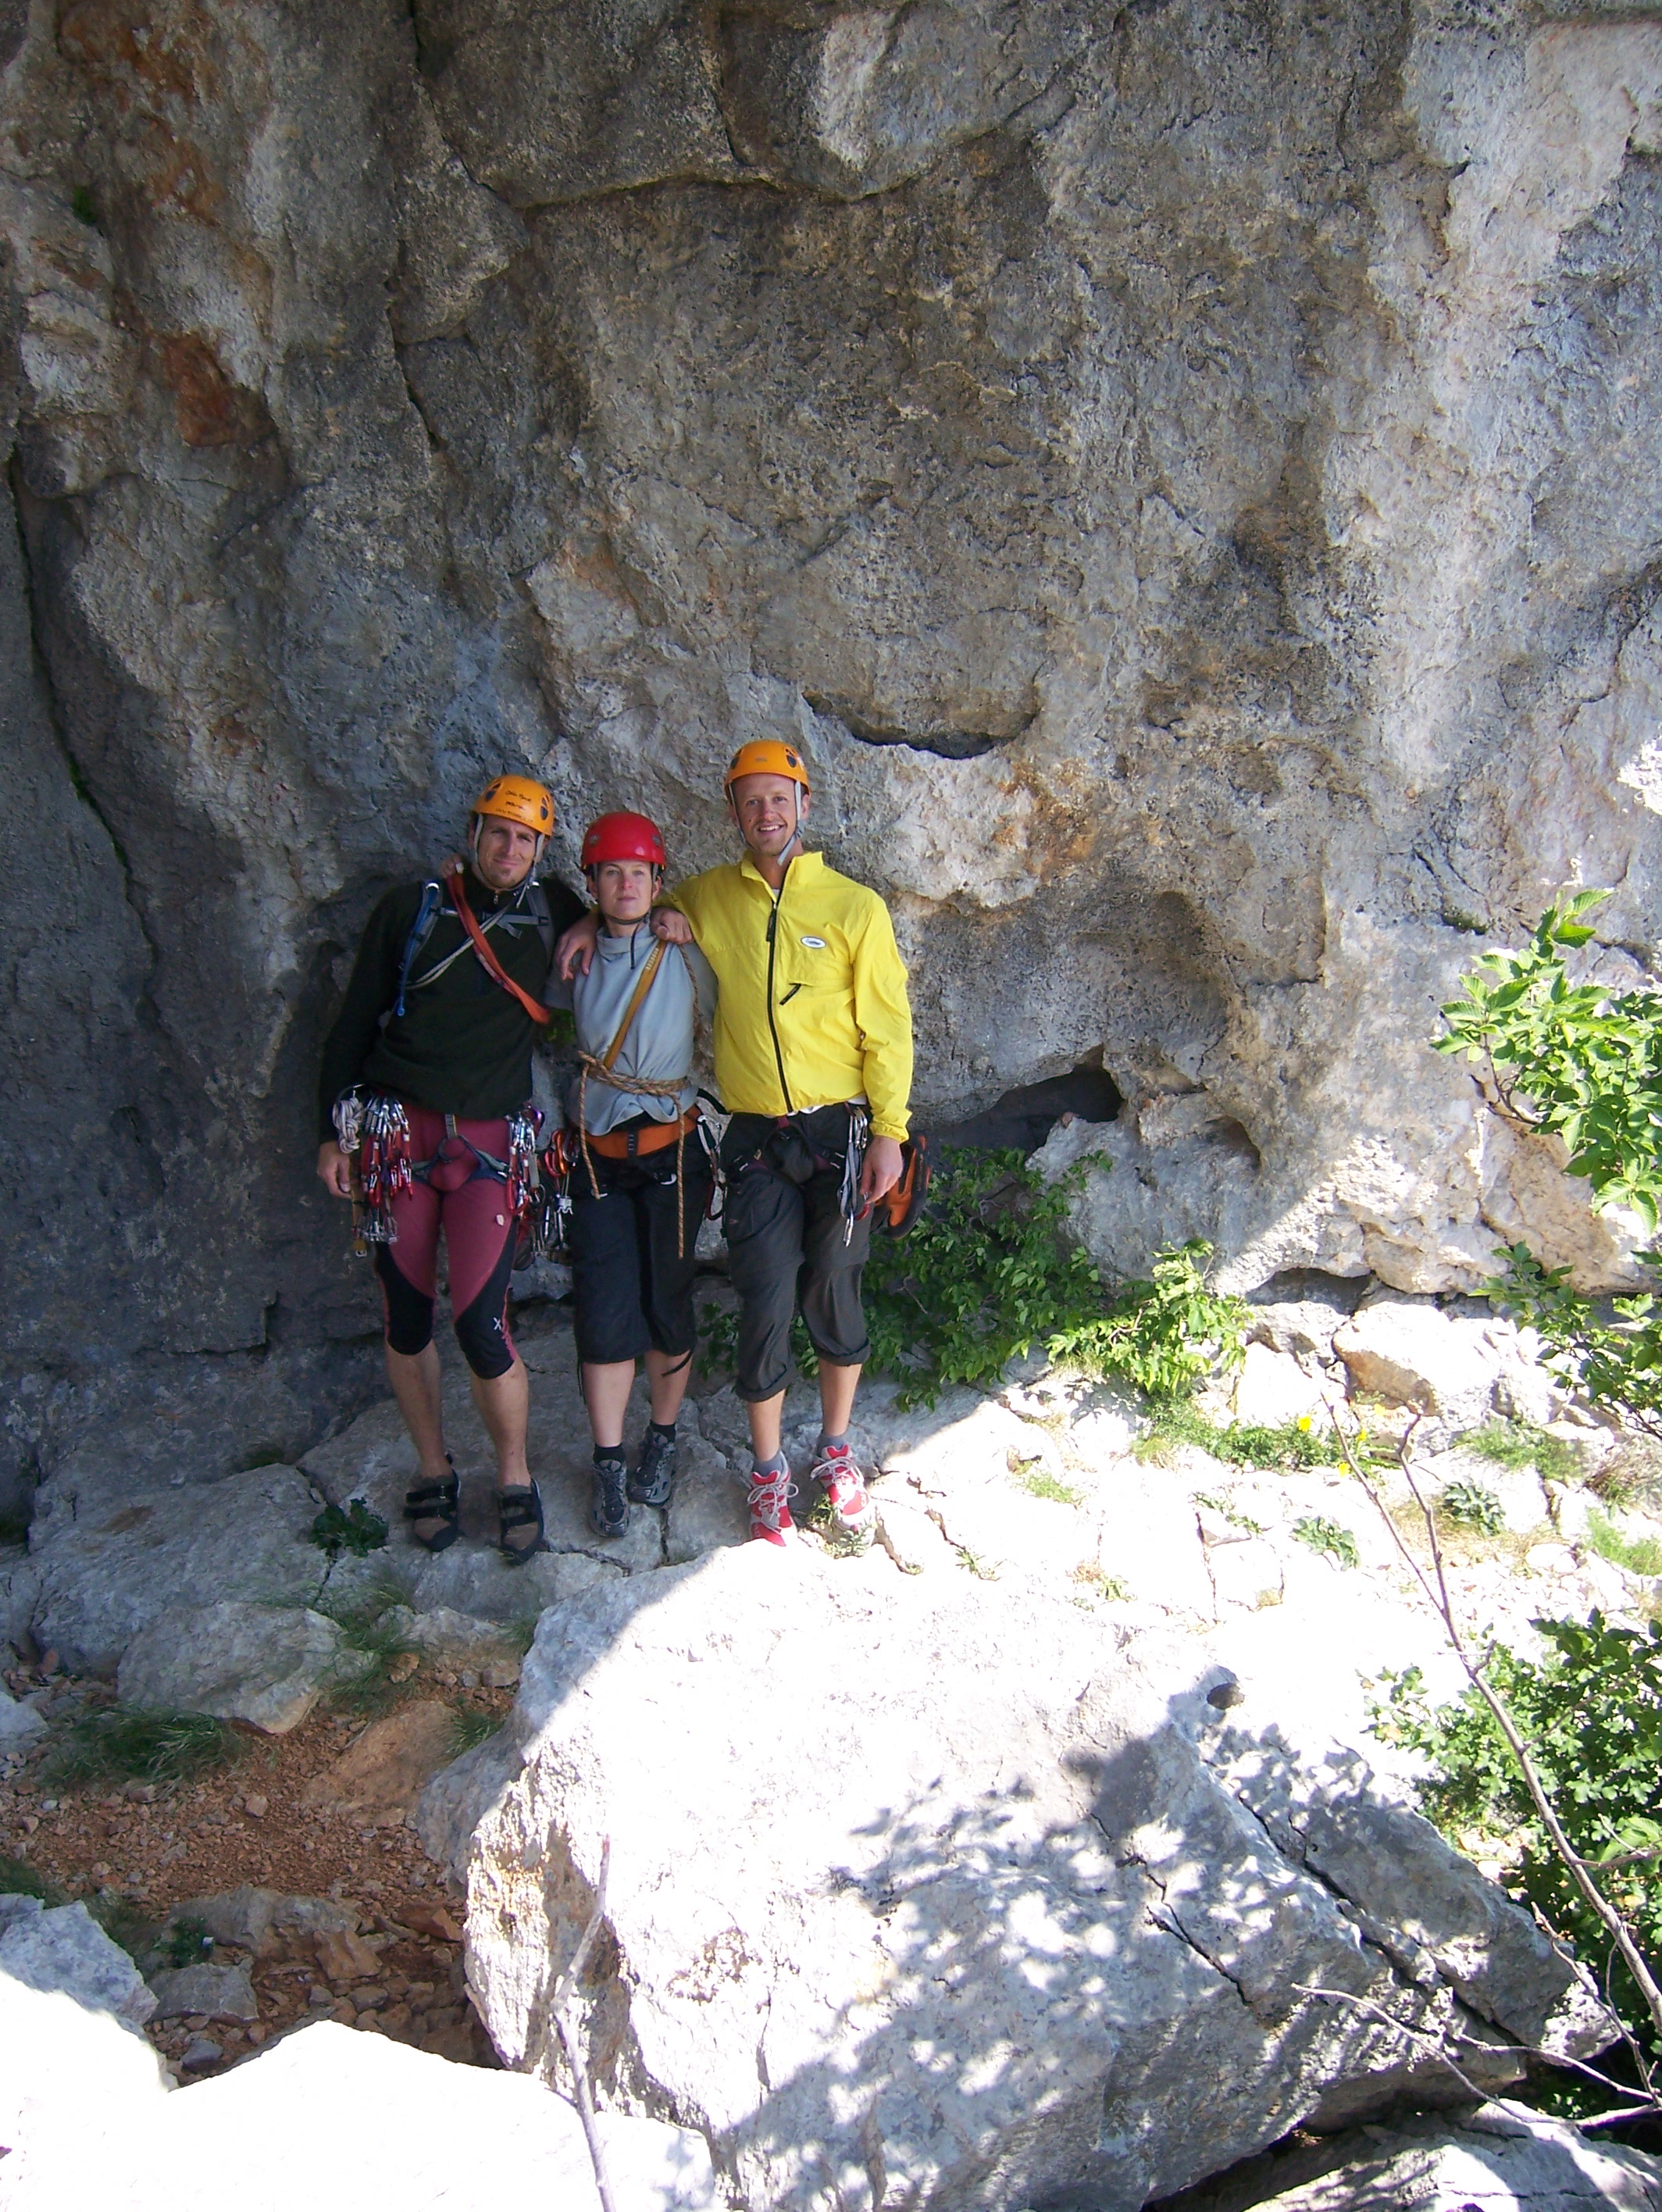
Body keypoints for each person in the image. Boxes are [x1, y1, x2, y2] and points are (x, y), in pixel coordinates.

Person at [558, 740, 913, 1550]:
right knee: (764, 1296)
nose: (766, 813)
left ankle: (834, 1450)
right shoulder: (709, 896)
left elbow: (888, 1027)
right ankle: (766, 1469)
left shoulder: (854, 907)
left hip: (841, 1128)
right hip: (756, 1134)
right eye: (751, 801)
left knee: (836, 1288)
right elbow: (629, 903)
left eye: (779, 798)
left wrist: (891, 1132)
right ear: (733, 813)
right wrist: (584, 919)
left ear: (804, 804)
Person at [316, 776, 583, 1563]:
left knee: (481, 1323)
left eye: (525, 839)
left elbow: (621, 908)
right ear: (472, 834)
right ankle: (434, 1467)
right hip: (398, 1132)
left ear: (540, 852)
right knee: (405, 1314)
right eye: (498, 832)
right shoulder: (411, 909)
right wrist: (330, 1134)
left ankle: (514, 1474)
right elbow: (354, 1022)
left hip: (489, 1143)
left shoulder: (553, 910)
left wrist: (661, 919)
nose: (509, 848)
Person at [551, 811, 716, 1539]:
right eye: (611, 873)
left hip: (671, 1147)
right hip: (596, 1153)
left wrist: (684, 924)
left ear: (658, 881)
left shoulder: (686, 950)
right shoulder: (576, 955)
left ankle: (664, 1436)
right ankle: (610, 1460)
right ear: (591, 883)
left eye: (639, 874)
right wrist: (585, 925)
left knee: (668, 1301)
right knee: (603, 1309)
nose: (626, 885)